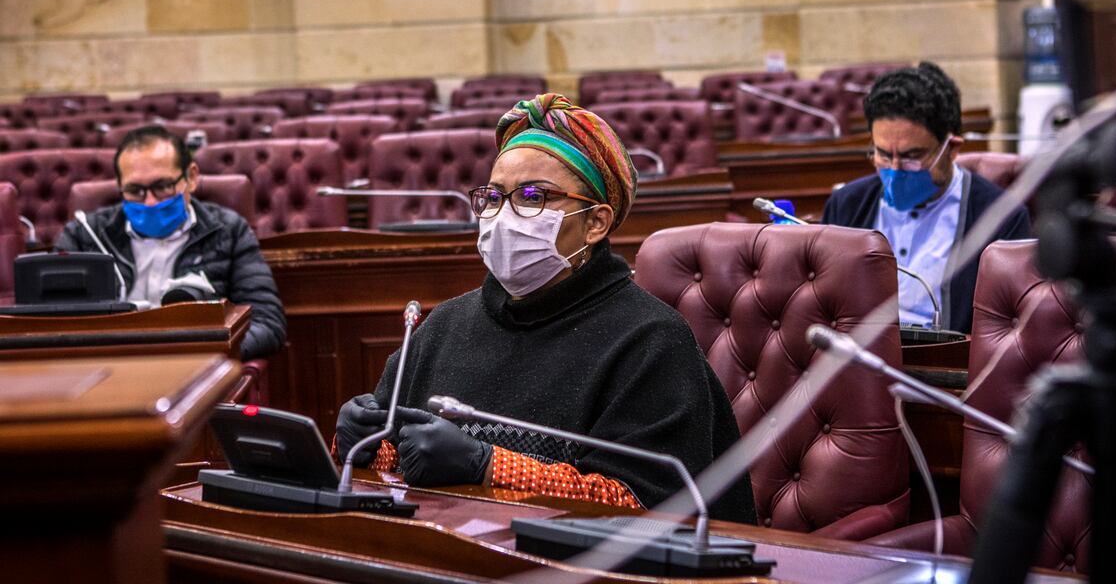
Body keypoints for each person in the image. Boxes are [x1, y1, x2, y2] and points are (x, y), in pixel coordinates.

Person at [335, 93, 756, 523]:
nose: (504, 216)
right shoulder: (443, 325)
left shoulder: (650, 339)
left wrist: (490, 467)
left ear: (596, 222)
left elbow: (647, 506)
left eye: (534, 196)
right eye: (494, 196)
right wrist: (368, 448)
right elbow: (396, 462)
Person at [822, 62, 1031, 333]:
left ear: (951, 148)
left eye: (911, 157)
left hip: (952, 367)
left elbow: (1009, 330)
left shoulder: (1001, 217)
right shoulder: (846, 205)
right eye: (883, 154)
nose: (894, 170)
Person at [55, 125, 286, 361]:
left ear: (191, 178)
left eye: (163, 187)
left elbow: (267, 323)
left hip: (197, 371)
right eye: (135, 190)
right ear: (120, 187)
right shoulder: (84, 236)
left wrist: (207, 355)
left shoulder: (229, 231)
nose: (151, 202)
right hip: (107, 370)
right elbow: (49, 326)